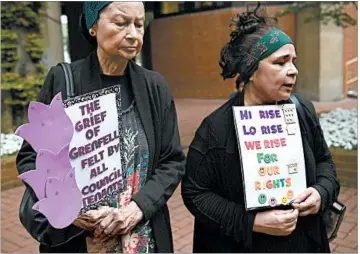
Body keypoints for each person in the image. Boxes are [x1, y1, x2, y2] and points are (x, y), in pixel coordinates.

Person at [16, 2, 186, 253]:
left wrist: (137, 208)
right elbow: (32, 157)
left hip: (141, 237)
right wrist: (68, 209)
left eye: (139, 24)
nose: (133, 33)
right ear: (93, 25)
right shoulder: (64, 80)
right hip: (81, 240)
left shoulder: (154, 87)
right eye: (120, 23)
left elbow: (172, 161)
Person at [181, 3, 340, 253]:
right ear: (251, 71)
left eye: (294, 62)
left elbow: (325, 162)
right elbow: (195, 194)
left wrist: (321, 192)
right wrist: (251, 222)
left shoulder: (302, 111)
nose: (293, 71)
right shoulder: (216, 129)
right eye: (280, 62)